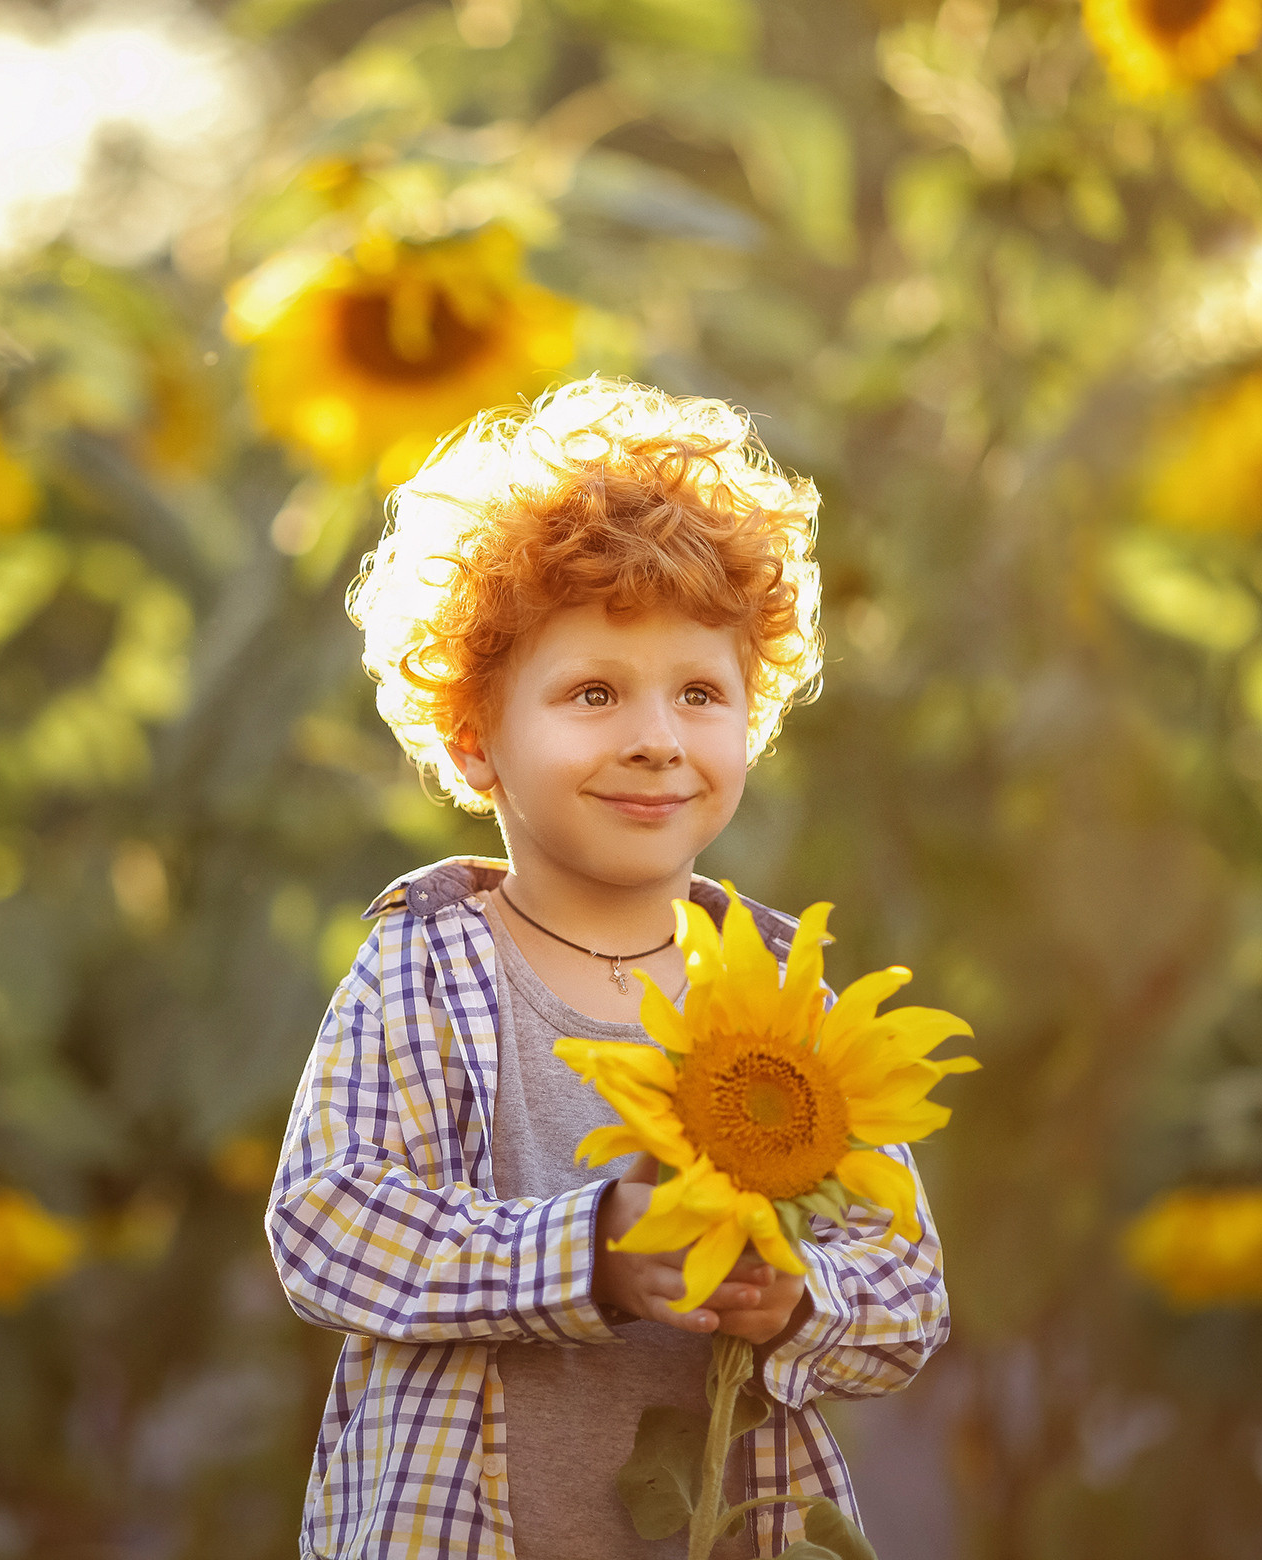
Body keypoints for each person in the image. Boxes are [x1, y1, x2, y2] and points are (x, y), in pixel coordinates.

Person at [267, 377, 951, 1559]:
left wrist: (798, 1300)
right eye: (594, 692)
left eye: (701, 693)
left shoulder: (786, 1003)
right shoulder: (426, 966)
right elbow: (328, 1227)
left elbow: (908, 1290)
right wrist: (589, 1257)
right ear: (475, 740)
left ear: (751, 718)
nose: (656, 739)